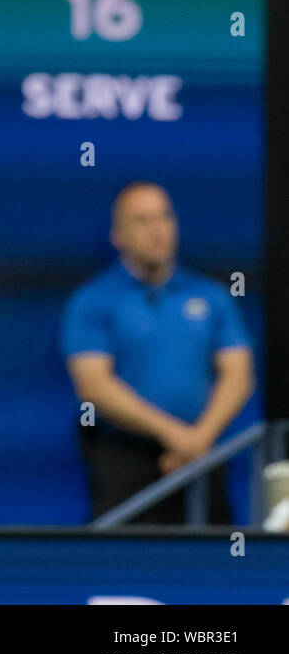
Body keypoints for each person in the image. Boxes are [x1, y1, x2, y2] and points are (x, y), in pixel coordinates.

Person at [61, 182, 255, 525]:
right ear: (117, 235)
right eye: (142, 220)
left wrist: (199, 439)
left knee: (211, 564)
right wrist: (175, 436)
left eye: (164, 217)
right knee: (123, 567)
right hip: (124, 460)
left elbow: (239, 375)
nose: (157, 230)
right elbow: (94, 385)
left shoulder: (211, 296)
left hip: (204, 455)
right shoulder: (93, 300)